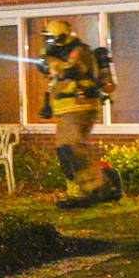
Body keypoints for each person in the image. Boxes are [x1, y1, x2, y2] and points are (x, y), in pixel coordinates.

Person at [37, 19, 122, 208]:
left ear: (62, 37)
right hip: (65, 109)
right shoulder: (57, 53)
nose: (48, 42)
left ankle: (95, 188)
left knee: (72, 148)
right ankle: (86, 188)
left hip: (79, 106)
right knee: (65, 152)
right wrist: (46, 63)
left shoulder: (79, 52)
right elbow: (50, 74)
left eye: (51, 38)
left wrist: (52, 62)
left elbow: (71, 69)